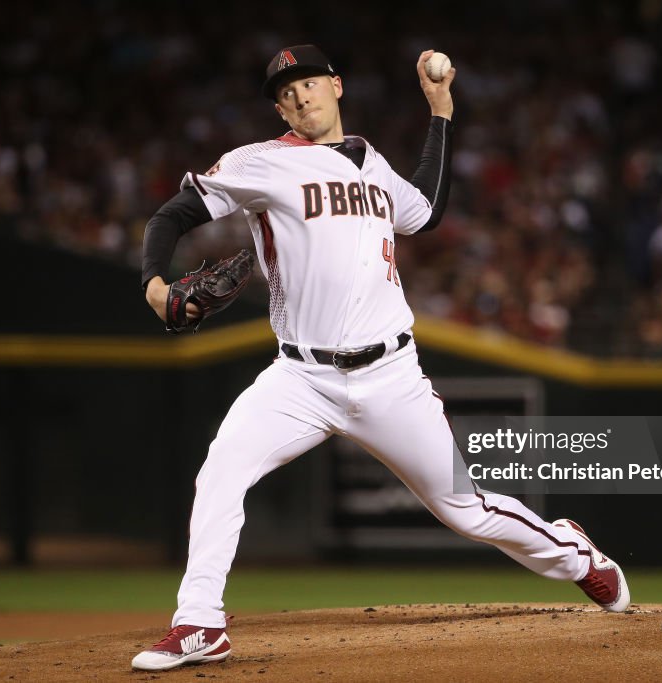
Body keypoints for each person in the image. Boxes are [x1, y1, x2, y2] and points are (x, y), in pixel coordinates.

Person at [132, 45, 630, 672]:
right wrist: (155, 283)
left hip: (391, 375)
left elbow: (426, 208)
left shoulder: (373, 163)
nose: (299, 97)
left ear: (335, 87)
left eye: (309, 83)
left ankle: (576, 555)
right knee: (220, 473)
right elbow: (173, 215)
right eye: (286, 92)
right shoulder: (259, 164)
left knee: (466, 511)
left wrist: (441, 112)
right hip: (300, 378)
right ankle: (200, 623)